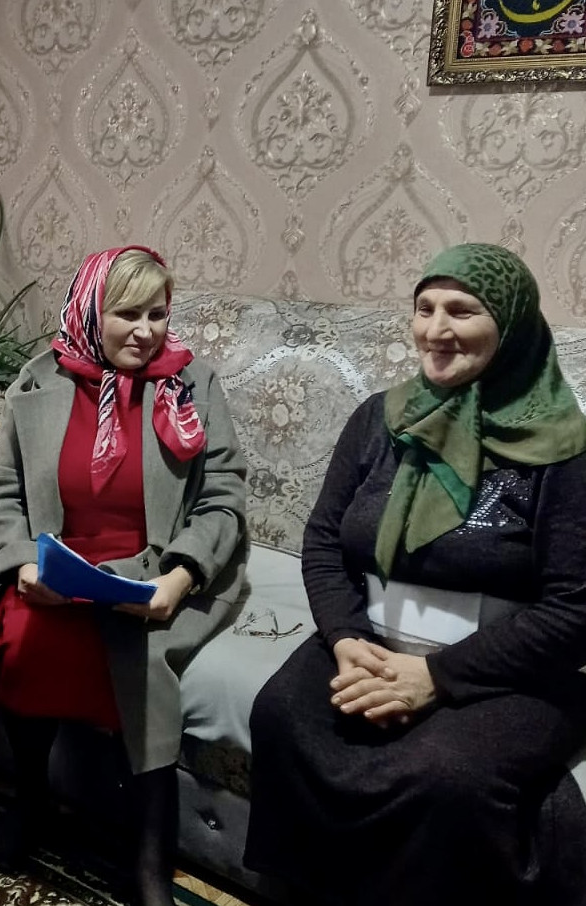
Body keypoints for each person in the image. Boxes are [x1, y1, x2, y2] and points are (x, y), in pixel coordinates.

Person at [243, 242, 586, 906]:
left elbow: (574, 608)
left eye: (461, 310)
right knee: (283, 716)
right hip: (372, 640)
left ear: (512, 325)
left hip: (502, 669)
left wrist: (435, 677)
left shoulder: (565, 449)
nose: (436, 328)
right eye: (424, 308)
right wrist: (346, 638)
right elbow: (324, 541)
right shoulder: (381, 419)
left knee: (446, 776)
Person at [0, 246, 246, 906]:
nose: (146, 331)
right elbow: (4, 492)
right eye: (128, 314)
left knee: (141, 659)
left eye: (157, 314)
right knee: (23, 641)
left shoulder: (191, 384)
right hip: (58, 563)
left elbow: (223, 498)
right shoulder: (38, 381)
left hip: (154, 567)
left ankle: (151, 857)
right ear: (91, 313)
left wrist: (180, 578)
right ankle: (32, 801)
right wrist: (22, 563)